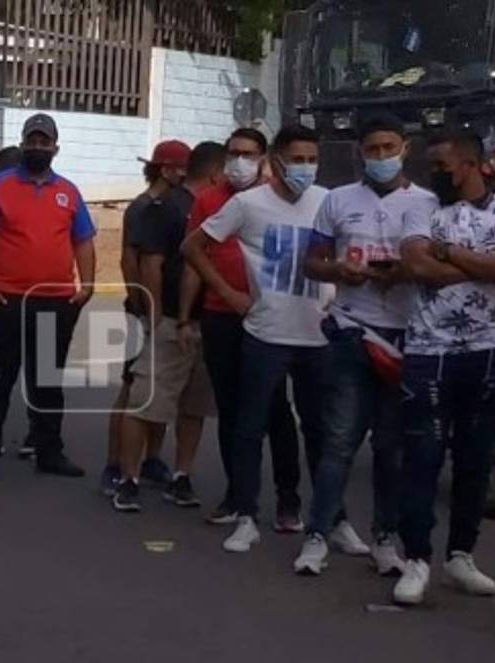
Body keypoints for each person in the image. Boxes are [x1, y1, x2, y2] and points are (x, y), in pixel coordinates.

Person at [294, 114, 437, 576]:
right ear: (360, 152)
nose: (380, 157)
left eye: (388, 147)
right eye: (372, 149)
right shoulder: (337, 200)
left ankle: (384, 538)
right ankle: (318, 534)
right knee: (338, 440)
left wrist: (404, 272)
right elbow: (312, 263)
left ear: (405, 148)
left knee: (391, 448)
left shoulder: (428, 204)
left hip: (407, 337)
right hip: (352, 330)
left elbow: (436, 268)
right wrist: (341, 271)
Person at [180, 125, 329, 553]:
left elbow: (345, 251)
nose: (305, 168)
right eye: (297, 160)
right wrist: (223, 295)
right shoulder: (241, 204)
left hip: (315, 333)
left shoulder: (327, 202)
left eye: (311, 160)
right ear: (279, 161)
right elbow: (192, 250)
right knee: (245, 421)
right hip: (257, 328)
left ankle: (317, 514)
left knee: (312, 427)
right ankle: (245, 511)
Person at [393, 130, 495, 605]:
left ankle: (461, 556)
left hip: (489, 352)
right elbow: (417, 268)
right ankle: (417, 559)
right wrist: (481, 264)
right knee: (422, 459)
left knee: (475, 463)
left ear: (470, 165)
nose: (436, 175)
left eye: (444, 166)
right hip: (429, 352)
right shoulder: (419, 209)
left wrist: (446, 252)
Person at [0, 112, 97, 482]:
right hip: (5, 299)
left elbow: (83, 240)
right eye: (32, 140)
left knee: (47, 382)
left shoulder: (68, 191)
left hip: (55, 301)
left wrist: (86, 286)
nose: (38, 147)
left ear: (55, 147)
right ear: (23, 144)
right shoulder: (0, 186)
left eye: (45, 141)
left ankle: (49, 453)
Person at [112, 141, 226, 512]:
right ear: (215, 172)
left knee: (192, 404)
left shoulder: (217, 207)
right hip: (167, 320)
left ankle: (178, 474)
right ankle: (125, 476)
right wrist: (154, 314)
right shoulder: (160, 208)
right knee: (143, 397)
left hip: (204, 319)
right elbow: (145, 264)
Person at [100, 141, 190, 493]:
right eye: (181, 168)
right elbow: (130, 260)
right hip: (143, 313)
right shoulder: (143, 209)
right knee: (132, 391)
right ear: (167, 170)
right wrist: (143, 308)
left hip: (160, 311)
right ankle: (116, 463)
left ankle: (151, 457)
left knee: (161, 391)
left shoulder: (170, 206)